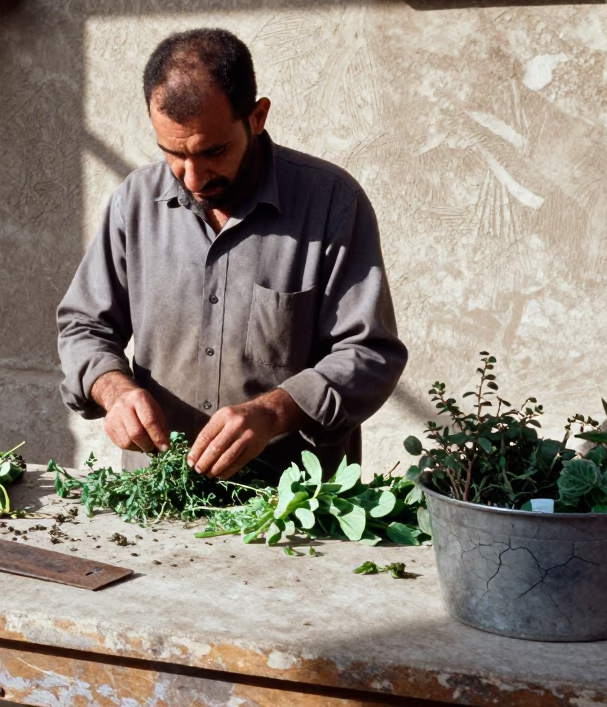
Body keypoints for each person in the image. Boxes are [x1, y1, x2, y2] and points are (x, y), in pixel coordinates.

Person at [56, 28, 407, 480]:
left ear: (257, 117)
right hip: (158, 497)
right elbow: (84, 326)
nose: (194, 178)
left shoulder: (332, 203)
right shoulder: (135, 203)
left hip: (289, 507)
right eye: (173, 154)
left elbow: (370, 353)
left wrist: (275, 412)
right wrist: (113, 389)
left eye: (213, 151)